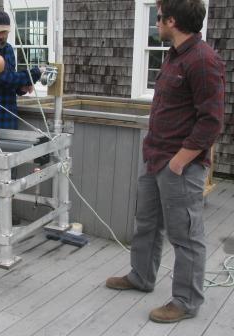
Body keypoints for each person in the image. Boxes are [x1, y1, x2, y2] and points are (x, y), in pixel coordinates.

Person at [106, 0, 225, 323]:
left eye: (158, 18)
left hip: (180, 166)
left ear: (172, 20)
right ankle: (141, 276)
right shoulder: (174, 56)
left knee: (186, 236)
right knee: (146, 224)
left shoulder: (203, 60)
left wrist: (179, 162)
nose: (155, 23)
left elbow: (211, 122)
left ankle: (186, 301)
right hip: (154, 158)